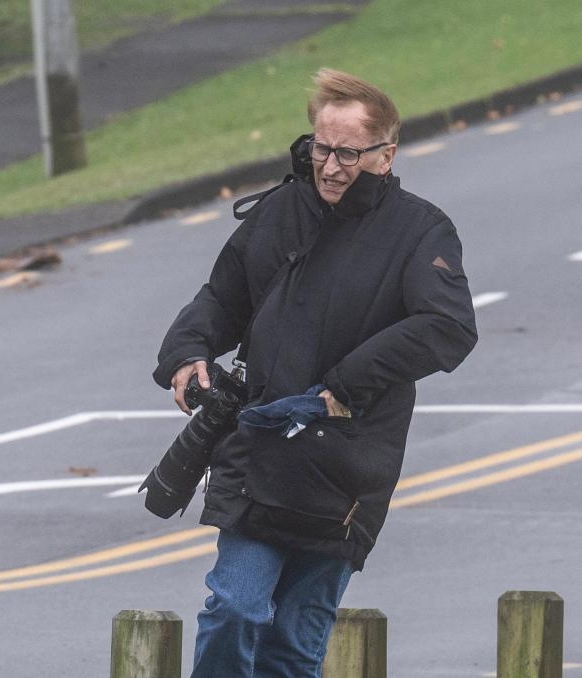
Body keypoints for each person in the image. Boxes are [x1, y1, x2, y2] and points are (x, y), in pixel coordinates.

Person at [152, 68, 477, 678]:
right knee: (236, 609)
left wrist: (337, 390)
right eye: (320, 148)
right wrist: (187, 352)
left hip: (348, 466)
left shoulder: (421, 229)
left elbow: (449, 328)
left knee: (293, 650)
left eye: (348, 153)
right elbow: (222, 298)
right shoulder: (279, 212)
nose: (329, 166)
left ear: (386, 155)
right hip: (257, 453)